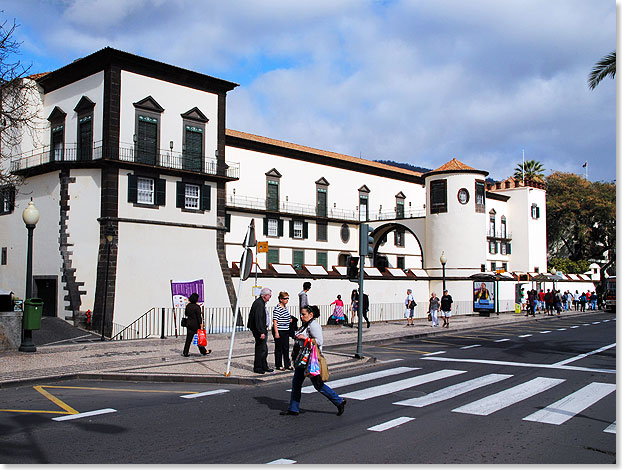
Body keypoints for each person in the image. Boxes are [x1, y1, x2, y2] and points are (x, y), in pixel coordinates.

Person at [281, 305, 347, 416]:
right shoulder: (306, 325)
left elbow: (319, 341)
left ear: (311, 314)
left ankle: (339, 401)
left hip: (311, 360)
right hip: (302, 358)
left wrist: (305, 338)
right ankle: (293, 408)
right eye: (301, 314)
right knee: (296, 383)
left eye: (304, 314)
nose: (301, 316)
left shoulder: (314, 325)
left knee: (318, 385)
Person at [248, 287, 273, 374]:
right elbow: (258, 319)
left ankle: (264, 366)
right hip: (260, 330)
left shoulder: (260, 302)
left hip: (262, 329)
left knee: (264, 349)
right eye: (269, 296)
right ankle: (258, 367)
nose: (270, 298)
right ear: (265, 296)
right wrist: (261, 332)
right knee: (260, 349)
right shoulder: (259, 303)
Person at [182, 293, 210, 357]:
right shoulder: (197, 307)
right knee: (199, 338)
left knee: (188, 339)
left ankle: (185, 352)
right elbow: (199, 317)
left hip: (189, 324)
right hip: (196, 325)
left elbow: (186, 314)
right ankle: (204, 351)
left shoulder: (188, 306)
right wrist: (201, 325)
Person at [272, 291, 292, 371]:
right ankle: (279, 364)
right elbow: (275, 321)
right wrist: (276, 332)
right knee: (279, 348)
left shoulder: (285, 308)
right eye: (285, 298)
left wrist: (289, 320)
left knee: (286, 348)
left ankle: (287, 364)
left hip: (286, 330)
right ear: (280, 299)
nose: (286, 300)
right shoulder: (278, 308)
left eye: (287, 298)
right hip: (280, 330)